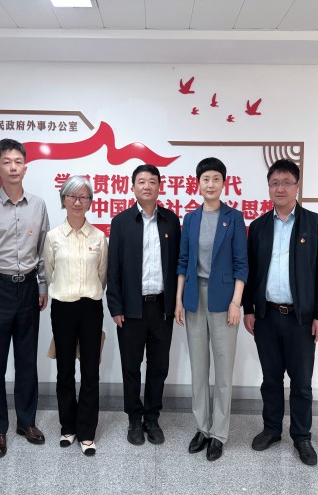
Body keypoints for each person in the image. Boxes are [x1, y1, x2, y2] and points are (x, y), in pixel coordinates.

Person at [242, 159, 318, 466]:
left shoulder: (316, 225)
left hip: (301, 319)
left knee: (301, 382)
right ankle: (271, 429)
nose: (279, 188)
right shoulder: (259, 227)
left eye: (286, 182)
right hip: (267, 316)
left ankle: (301, 436)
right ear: (269, 187)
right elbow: (251, 271)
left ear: (297, 186)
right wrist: (249, 308)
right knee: (270, 379)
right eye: (274, 183)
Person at [0, 138, 49, 457]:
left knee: (27, 360)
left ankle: (26, 422)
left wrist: (42, 286)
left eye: (18, 162)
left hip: (28, 287)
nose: (13, 167)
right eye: (7, 162)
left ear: (25, 167)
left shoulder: (39, 205)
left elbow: (43, 250)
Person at [175, 157, 248, 462]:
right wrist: (179, 300)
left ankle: (219, 433)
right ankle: (202, 428)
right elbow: (182, 262)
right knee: (199, 368)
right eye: (205, 179)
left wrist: (236, 302)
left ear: (224, 183)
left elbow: (241, 264)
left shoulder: (234, 218)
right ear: (198, 183)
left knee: (223, 369)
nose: (210, 184)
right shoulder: (190, 219)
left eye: (216, 178)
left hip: (224, 300)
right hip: (194, 298)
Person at [107, 164, 181, 446]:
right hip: (131, 308)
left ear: (159, 187)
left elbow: (178, 265)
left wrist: (176, 303)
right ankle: (134, 418)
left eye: (152, 181)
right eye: (141, 181)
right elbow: (113, 269)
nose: (147, 186)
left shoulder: (170, 221)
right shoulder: (121, 222)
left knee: (159, 366)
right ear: (133, 187)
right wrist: (116, 307)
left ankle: (152, 417)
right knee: (131, 366)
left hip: (161, 307)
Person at [44, 176, 108, 456]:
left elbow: (102, 275)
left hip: (91, 307)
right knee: (65, 370)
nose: (78, 202)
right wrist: (65, 290)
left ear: (90, 201)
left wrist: (87, 292)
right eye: (72, 196)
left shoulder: (99, 237)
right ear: (64, 200)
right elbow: (50, 272)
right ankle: (68, 427)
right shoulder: (53, 237)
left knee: (90, 370)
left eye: (84, 197)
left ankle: (87, 431)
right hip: (63, 307)